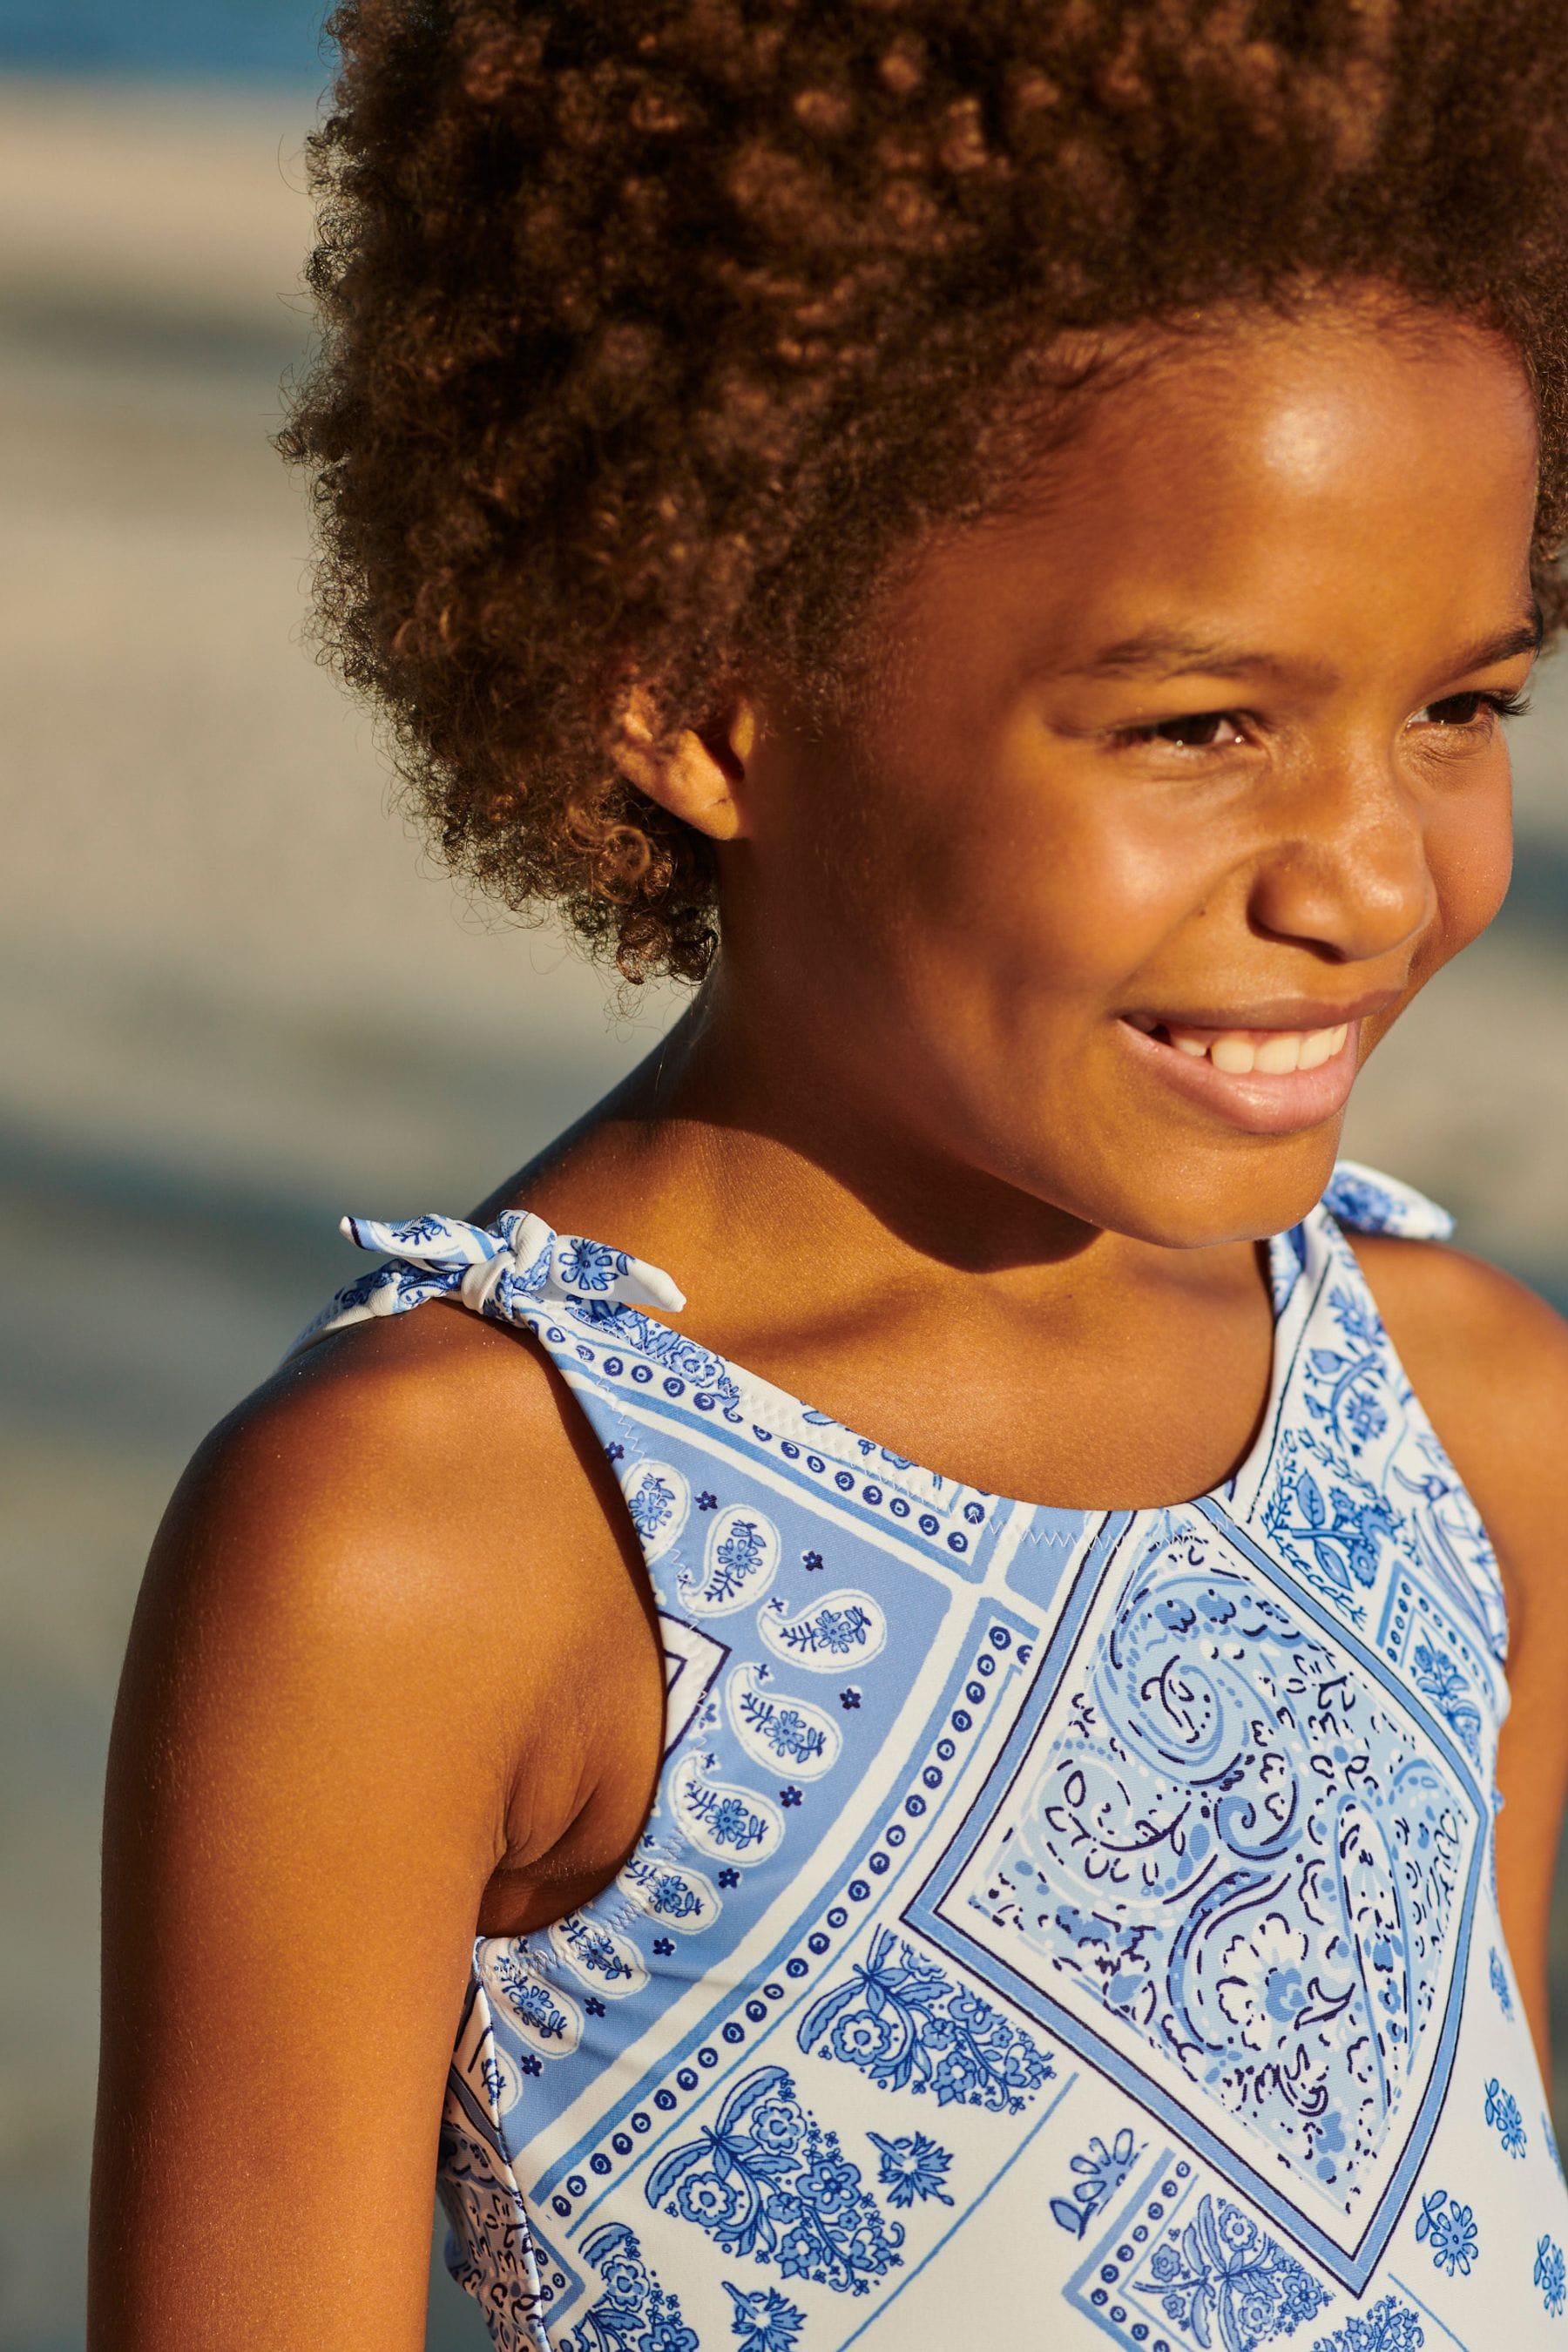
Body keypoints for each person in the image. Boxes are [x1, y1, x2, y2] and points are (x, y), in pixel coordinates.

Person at [89, 3, 1568, 2347]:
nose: (1375, 880)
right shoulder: (446, 1533)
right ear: (699, 691)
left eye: (1466, 708)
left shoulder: (1472, 1416)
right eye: (1204, 727)